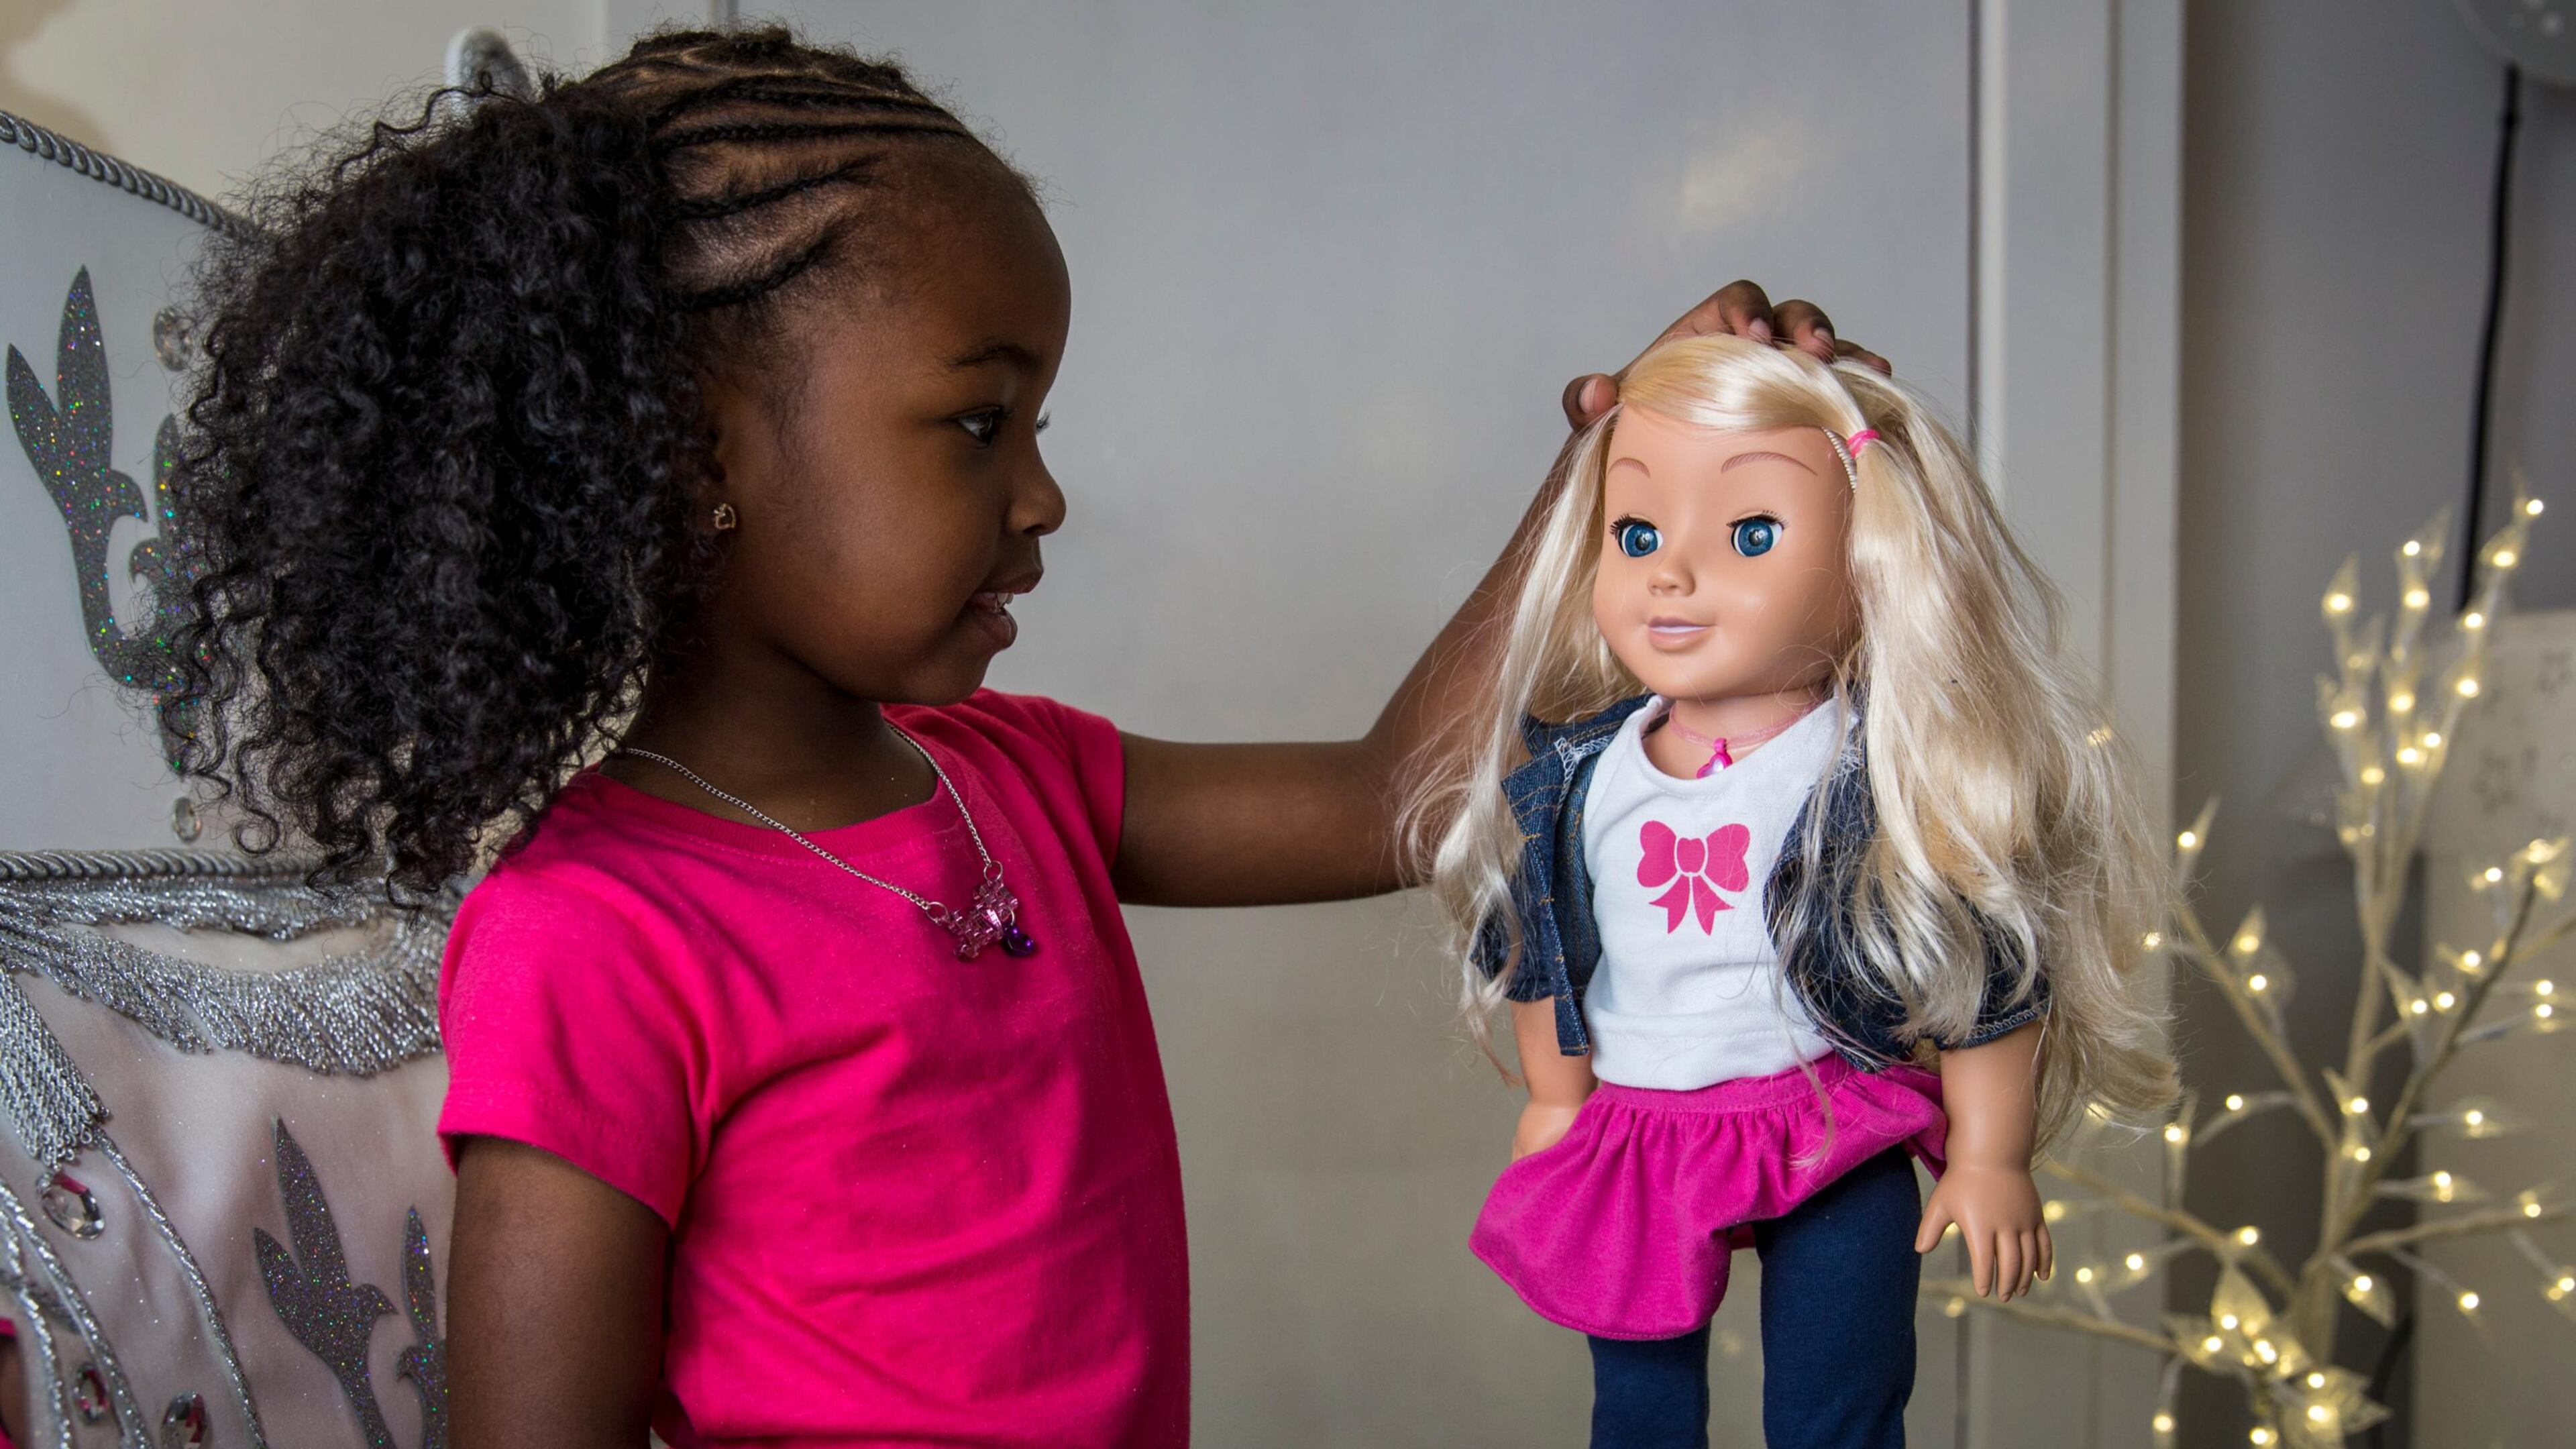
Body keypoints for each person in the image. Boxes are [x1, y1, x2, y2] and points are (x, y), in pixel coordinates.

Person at [164, 25, 1883, 1449]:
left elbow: (1397, 801)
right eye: (979, 423)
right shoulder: (595, 932)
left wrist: (1619, 478)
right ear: (694, 453)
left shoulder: (1016, 779)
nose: (1045, 493)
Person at [1409, 334, 2176, 1448]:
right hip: (1640, 1128)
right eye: (1636, 534)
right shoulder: (1578, 777)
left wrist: (1990, 1154)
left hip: (1826, 1121)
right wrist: (1555, 1101)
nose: (1671, 574)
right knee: (1638, 1408)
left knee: (1838, 1399)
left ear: (1871, 564)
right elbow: (1544, 946)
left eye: (1751, 534)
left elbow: (1979, 962)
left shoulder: (1882, 771)